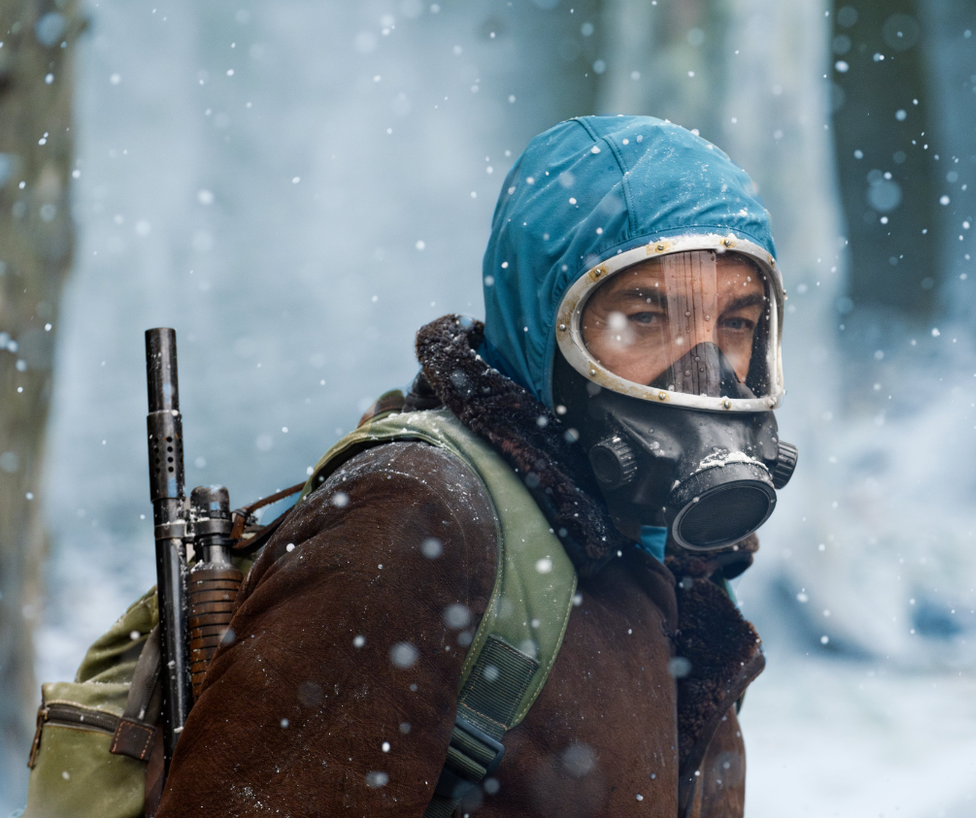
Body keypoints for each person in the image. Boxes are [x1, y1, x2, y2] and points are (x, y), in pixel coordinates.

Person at [154, 114, 794, 818]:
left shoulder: (666, 557)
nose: (704, 375)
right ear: (542, 323)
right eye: (646, 318)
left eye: (734, 323)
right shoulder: (415, 520)